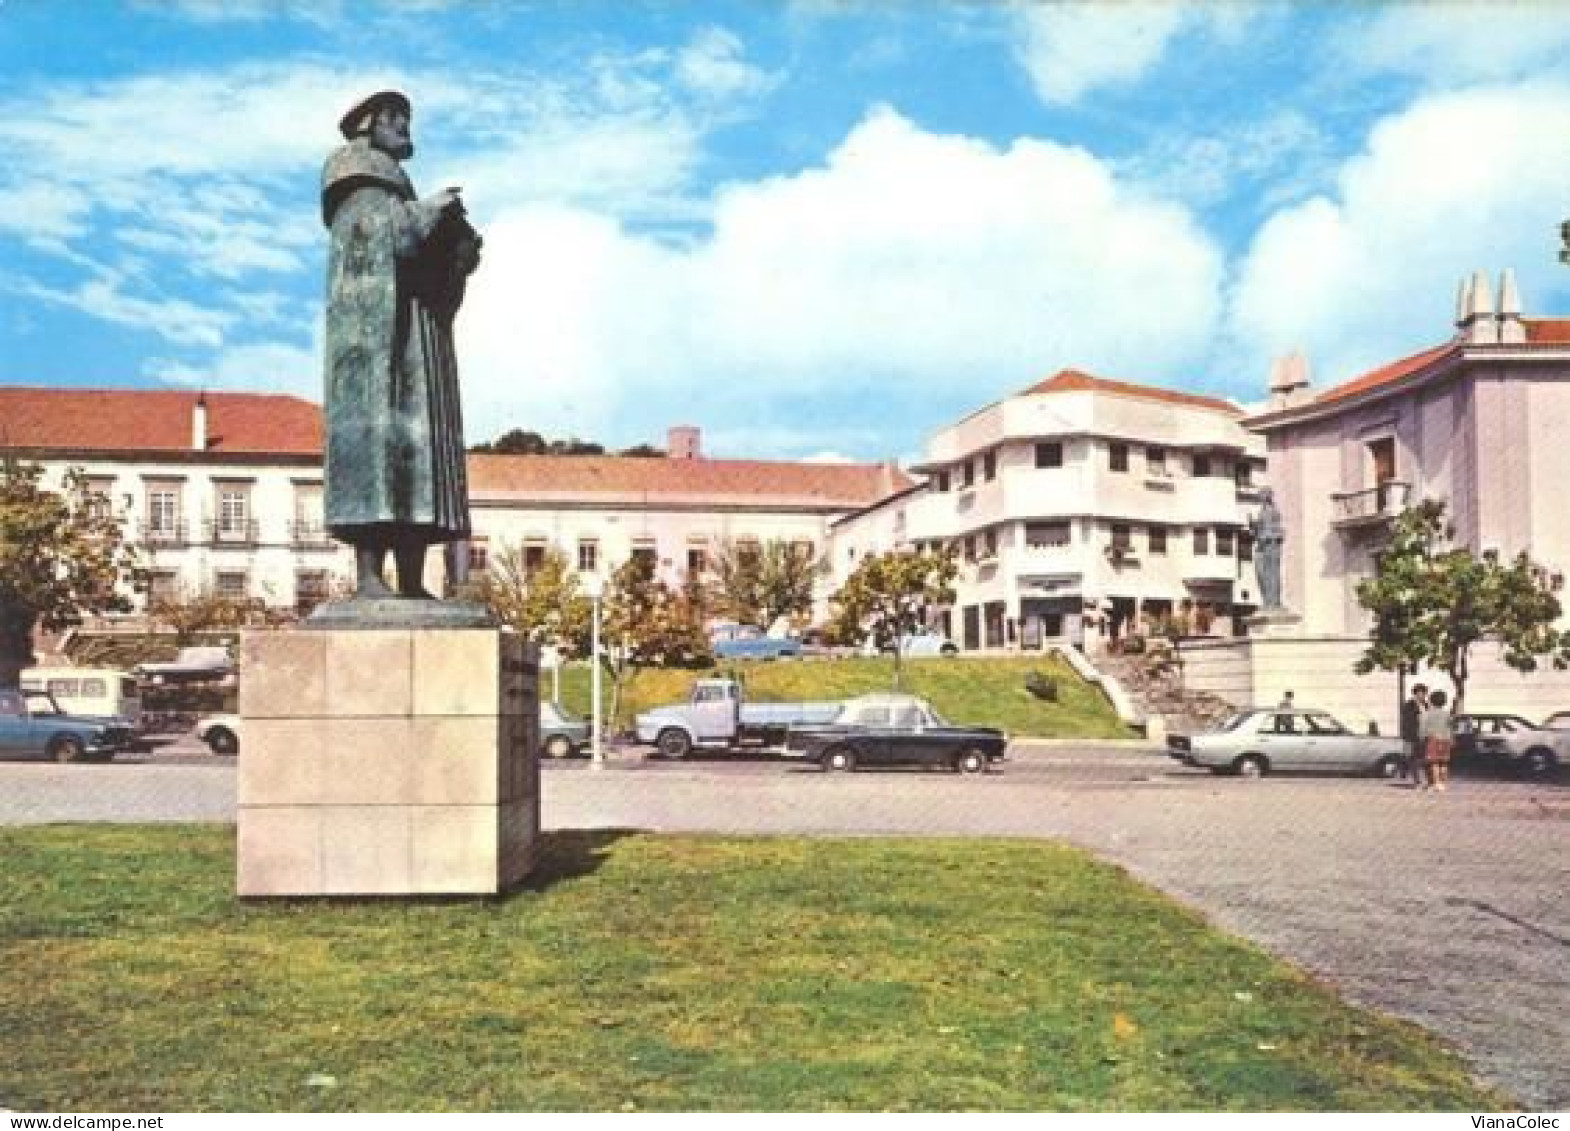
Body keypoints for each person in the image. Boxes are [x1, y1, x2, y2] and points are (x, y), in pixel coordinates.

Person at [319, 90, 482, 601]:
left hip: (415, 332)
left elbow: (420, 257)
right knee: (380, 449)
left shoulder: (393, 187)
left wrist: (459, 247)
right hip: (377, 343)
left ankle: (412, 581)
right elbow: (388, 241)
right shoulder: (358, 179)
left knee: (419, 453)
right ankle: (370, 577)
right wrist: (433, 209)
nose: (406, 127)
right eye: (396, 118)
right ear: (369, 124)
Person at [1250, 487, 1286, 609]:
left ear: (1268, 496)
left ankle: (1274, 601)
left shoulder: (1274, 511)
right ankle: (1266, 599)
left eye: (1263, 495)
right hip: (1261, 546)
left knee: (1272, 573)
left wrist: (1268, 537)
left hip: (1271, 545)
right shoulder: (1262, 512)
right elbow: (1257, 532)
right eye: (1260, 495)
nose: (1261, 498)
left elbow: (1279, 531)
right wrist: (1254, 527)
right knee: (1260, 573)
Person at [1420, 688, 1455, 791]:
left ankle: (1436, 783)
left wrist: (1422, 738)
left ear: (1431, 700)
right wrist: (1452, 738)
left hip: (1433, 739)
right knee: (1443, 762)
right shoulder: (1447, 714)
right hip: (1446, 739)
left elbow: (1423, 728)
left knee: (1434, 763)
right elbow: (1450, 727)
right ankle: (1443, 784)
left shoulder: (1427, 714)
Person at [1400, 682, 1429, 786]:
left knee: (1424, 758)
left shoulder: (1426, 705)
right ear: (1415, 693)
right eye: (1420, 693)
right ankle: (1417, 780)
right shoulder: (1409, 705)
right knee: (1413, 758)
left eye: (1424, 693)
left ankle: (1425, 780)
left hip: (1424, 734)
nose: (1423, 695)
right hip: (1413, 735)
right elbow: (1406, 721)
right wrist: (1408, 736)